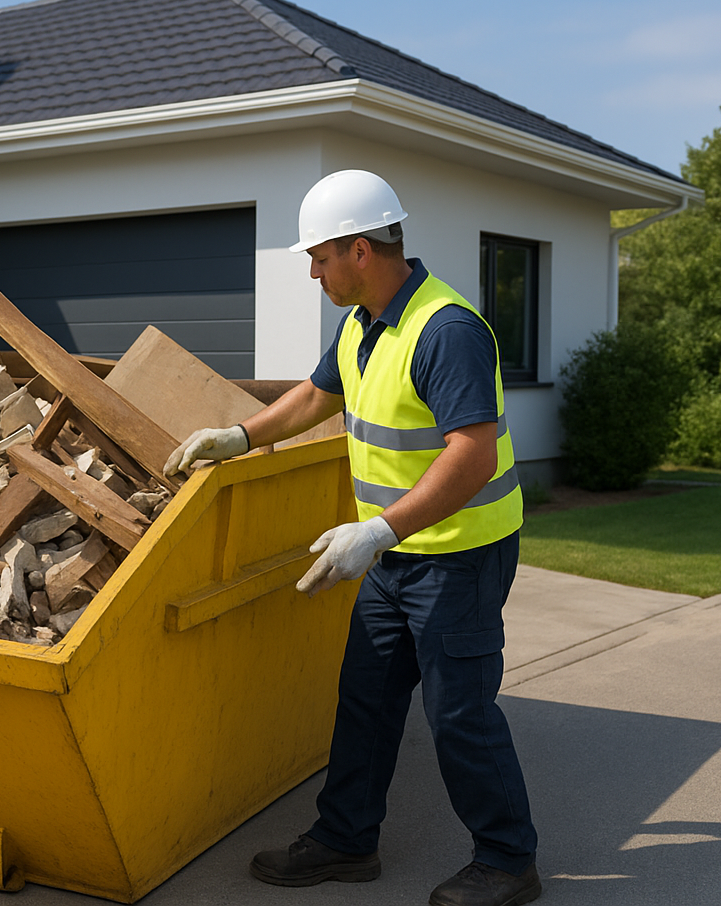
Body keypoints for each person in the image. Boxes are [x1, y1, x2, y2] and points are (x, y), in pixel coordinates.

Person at [164, 170, 540, 906]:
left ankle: (507, 860)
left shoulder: (447, 329)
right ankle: (346, 840)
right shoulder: (363, 322)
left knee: (458, 712)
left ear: (360, 249)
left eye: (319, 257)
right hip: (395, 552)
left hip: (458, 553)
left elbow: (474, 454)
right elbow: (314, 396)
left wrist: (378, 528)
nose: (312, 271)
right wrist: (236, 435)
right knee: (365, 698)